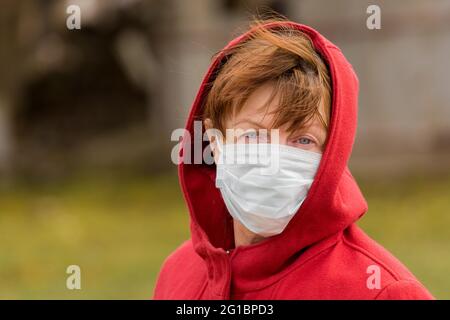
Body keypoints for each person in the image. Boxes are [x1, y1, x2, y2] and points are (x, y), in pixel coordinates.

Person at [153, 18, 434, 300]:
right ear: (214, 142)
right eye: (253, 135)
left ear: (332, 155)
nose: (274, 159)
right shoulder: (178, 273)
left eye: (302, 140)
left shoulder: (380, 291)